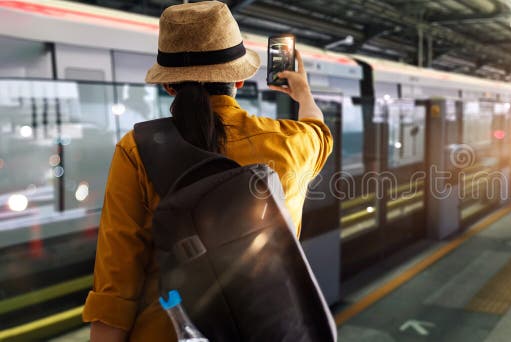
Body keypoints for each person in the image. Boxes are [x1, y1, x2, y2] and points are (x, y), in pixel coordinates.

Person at [81, 2, 332, 341]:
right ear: (239, 80)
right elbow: (319, 131)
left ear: (169, 86)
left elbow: (116, 285)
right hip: (263, 329)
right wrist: (302, 92)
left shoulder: (135, 149)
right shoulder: (291, 143)